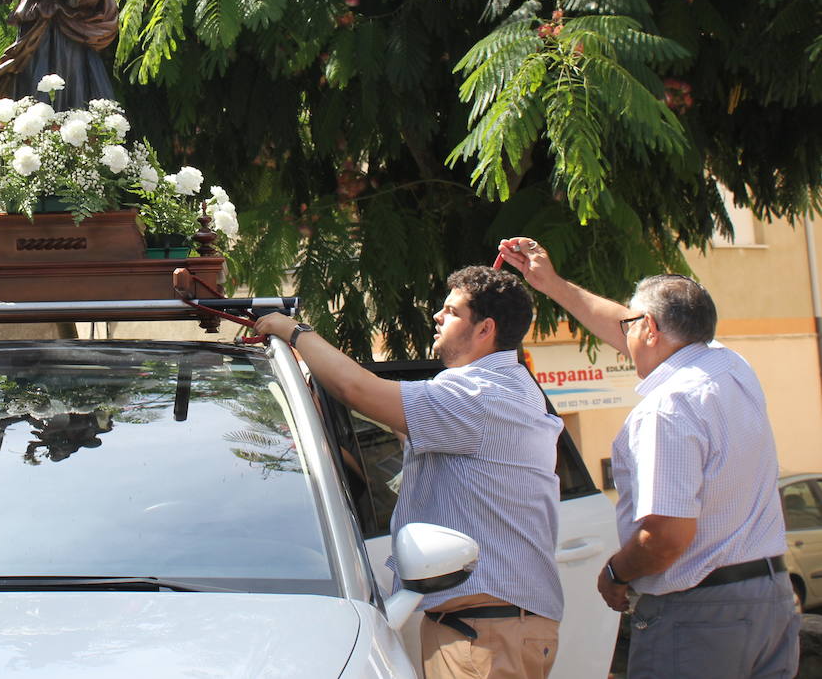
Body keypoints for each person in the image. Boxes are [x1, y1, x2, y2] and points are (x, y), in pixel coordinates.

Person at [496, 237, 798, 678]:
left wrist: (616, 574)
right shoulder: (731, 367)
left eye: (631, 324)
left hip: (699, 615)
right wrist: (554, 285)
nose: (623, 332)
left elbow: (667, 537)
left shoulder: (667, 408)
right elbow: (628, 322)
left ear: (650, 330)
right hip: (769, 599)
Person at [255, 266, 564, 679]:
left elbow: (359, 391)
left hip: (483, 632)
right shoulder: (497, 392)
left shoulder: (476, 396)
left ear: (485, 328)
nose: (437, 316)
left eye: (451, 311)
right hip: (488, 626)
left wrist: (294, 331)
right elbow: (389, 423)